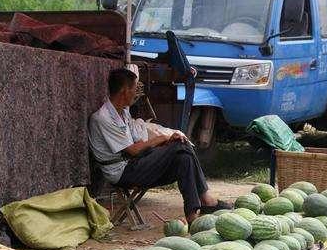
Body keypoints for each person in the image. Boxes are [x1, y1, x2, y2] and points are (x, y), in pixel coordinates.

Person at [89, 68, 230, 223]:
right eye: (135, 89)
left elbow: (137, 142)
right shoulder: (103, 118)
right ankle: (207, 200)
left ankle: (192, 215)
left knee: (183, 158)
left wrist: (165, 141)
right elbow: (133, 150)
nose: (136, 93)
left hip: (134, 163)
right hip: (122, 171)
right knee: (180, 145)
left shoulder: (123, 112)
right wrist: (162, 138)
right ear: (124, 91)